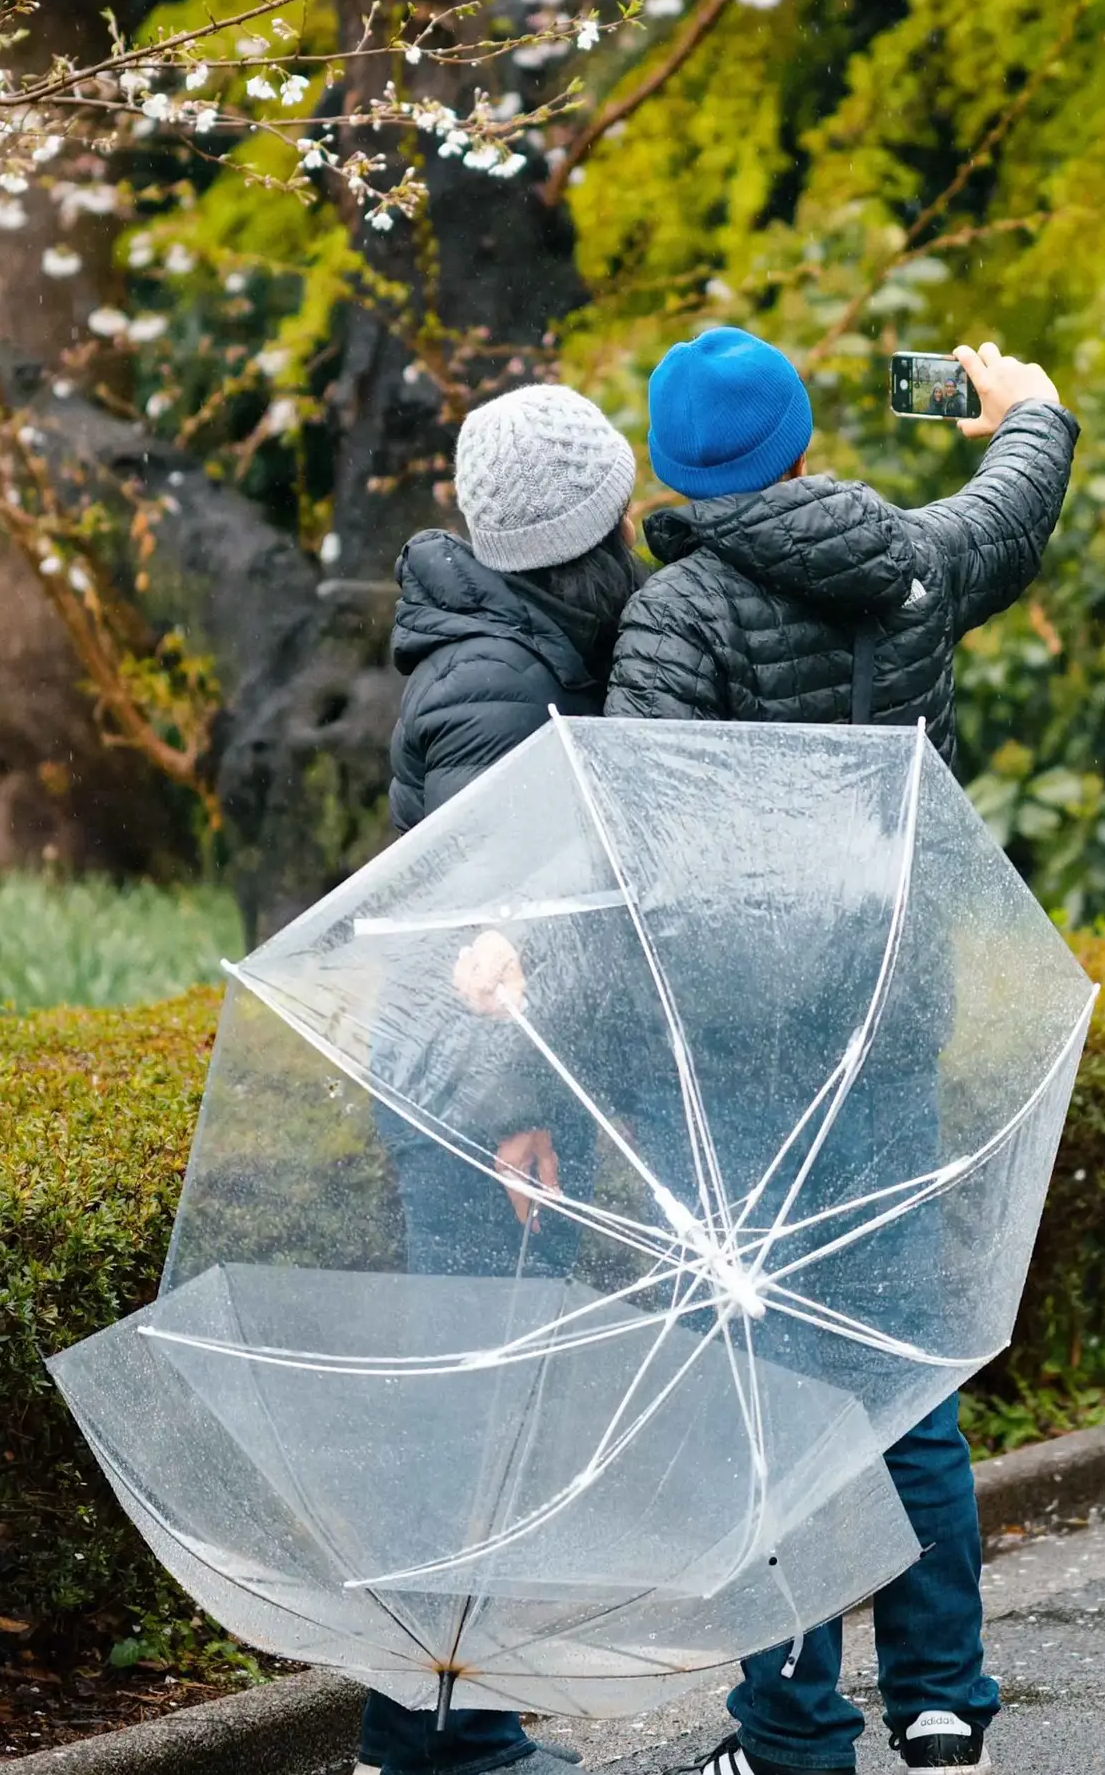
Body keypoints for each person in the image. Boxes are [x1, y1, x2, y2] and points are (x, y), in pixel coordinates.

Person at [606, 326, 1076, 1775]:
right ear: (804, 441)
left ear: (672, 466)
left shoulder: (676, 616)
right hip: (889, 1025)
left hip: (745, 1054)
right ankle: (940, 1702)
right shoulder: (912, 566)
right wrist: (1027, 406)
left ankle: (791, 1729)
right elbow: (1013, 505)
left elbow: (639, 841)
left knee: (769, 1387)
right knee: (897, 1367)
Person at [359, 380, 640, 1775]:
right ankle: (432, 1734)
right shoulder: (498, 686)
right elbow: (483, 932)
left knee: (488, 1401)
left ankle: (437, 1721)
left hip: (488, 1079)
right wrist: (514, 1112)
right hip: (472, 1088)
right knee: (469, 1411)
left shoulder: (517, 645)